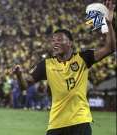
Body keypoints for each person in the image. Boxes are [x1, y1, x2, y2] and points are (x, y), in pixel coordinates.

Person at [11, 0, 116, 135]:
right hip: (56, 124)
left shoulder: (83, 58)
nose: (55, 43)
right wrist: (19, 75)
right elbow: (24, 86)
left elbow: (110, 48)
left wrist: (108, 23)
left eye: (59, 40)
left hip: (80, 122)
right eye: (53, 40)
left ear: (70, 43)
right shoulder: (46, 65)